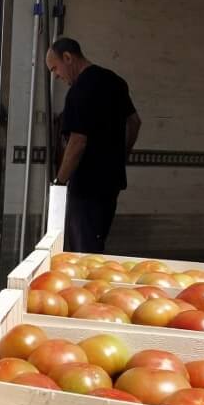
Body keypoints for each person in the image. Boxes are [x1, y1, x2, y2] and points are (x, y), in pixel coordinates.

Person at [46, 37, 142, 253]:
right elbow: (135, 123)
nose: (56, 76)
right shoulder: (116, 82)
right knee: (96, 244)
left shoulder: (79, 91)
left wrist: (60, 181)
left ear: (68, 58)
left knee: (83, 253)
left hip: (86, 187)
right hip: (111, 185)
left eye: (55, 69)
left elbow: (77, 141)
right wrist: (120, 156)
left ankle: (87, 287)